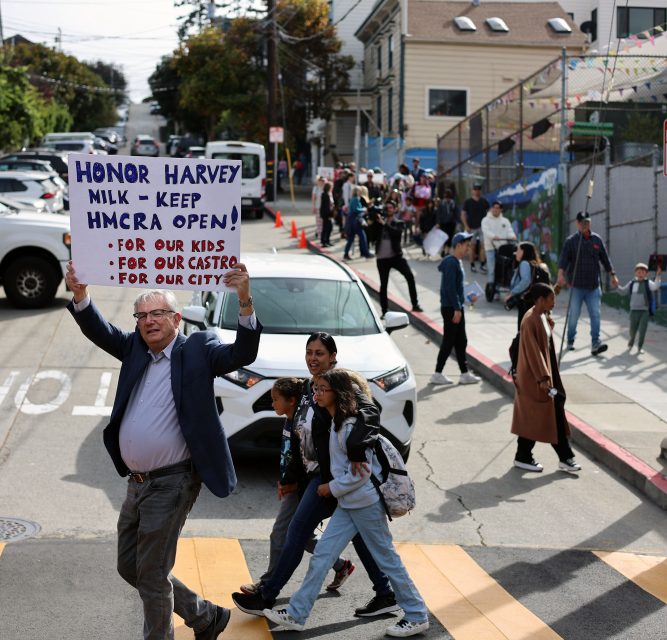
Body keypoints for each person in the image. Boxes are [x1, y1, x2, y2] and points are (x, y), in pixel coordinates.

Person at [64, 261, 262, 640]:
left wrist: (245, 301)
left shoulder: (198, 349)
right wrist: (80, 294)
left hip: (173, 482)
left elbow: (243, 353)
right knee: (130, 566)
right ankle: (204, 617)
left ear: (175, 318)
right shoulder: (136, 349)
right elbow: (100, 330)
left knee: (152, 575)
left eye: (157, 313)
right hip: (137, 483)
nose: (149, 321)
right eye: (141, 315)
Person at [232, 333, 398, 620]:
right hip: (316, 475)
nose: (313, 358)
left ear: (332, 356)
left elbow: (370, 412)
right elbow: (300, 435)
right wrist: (292, 475)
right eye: (309, 352)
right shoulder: (310, 386)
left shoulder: (340, 382)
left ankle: (266, 595)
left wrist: (357, 450)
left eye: (319, 353)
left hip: (334, 476)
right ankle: (385, 594)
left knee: (296, 532)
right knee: (358, 536)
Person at [263, 369, 430, 638]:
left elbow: (361, 472)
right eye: (315, 389)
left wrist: (331, 487)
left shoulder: (350, 426)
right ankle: (296, 613)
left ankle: (416, 614)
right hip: (349, 503)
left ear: (337, 394)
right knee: (322, 557)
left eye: (322, 390)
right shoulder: (335, 422)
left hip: (364, 503)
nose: (315, 394)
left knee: (387, 559)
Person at [239, 377, 354, 596]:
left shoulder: (302, 423)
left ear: (291, 401)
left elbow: (302, 461)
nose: (272, 403)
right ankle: (341, 565)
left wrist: (290, 482)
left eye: (275, 399)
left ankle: (267, 584)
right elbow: (287, 456)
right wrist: (283, 479)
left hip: (303, 485)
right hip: (295, 484)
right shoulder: (289, 420)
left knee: (281, 533)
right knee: (302, 534)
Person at [511, 283, 581, 474]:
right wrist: (543, 378)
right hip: (535, 380)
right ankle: (562, 457)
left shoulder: (540, 316)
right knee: (543, 417)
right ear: (541, 299)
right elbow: (534, 352)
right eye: (551, 299)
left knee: (539, 417)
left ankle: (526, 456)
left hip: (540, 378)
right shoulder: (531, 319)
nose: (554, 302)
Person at [557, 211, 619, 355]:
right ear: (577, 224)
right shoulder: (571, 241)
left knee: (595, 315)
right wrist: (561, 275)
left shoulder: (597, 240)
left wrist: (613, 275)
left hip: (593, 287)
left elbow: (605, 260)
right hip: (576, 286)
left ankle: (595, 344)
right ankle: (570, 340)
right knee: (573, 315)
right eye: (582, 222)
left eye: (587, 222)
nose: (585, 225)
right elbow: (563, 261)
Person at [430, 232, 481, 386]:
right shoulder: (452, 263)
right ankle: (437, 373)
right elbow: (450, 288)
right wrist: (457, 309)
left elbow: (456, 288)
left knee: (461, 341)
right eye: (466, 245)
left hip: (455, 306)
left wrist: (469, 297)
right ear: (458, 245)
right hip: (452, 308)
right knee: (449, 341)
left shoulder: (455, 261)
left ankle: (464, 374)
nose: (468, 248)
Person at [368, 200, 423, 318]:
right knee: (384, 285)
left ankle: (415, 304)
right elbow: (371, 237)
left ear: (395, 209)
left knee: (410, 277)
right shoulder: (378, 223)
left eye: (390, 208)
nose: (388, 210)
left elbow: (396, 234)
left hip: (396, 257)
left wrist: (384, 224)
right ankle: (384, 311)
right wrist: (371, 223)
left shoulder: (399, 222)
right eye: (386, 208)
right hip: (382, 259)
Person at [617, 262, 662, 354]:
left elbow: (655, 287)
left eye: (642, 272)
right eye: (638, 272)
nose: (640, 274)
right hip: (633, 311)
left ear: (646, 274)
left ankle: (640, 347)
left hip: (644, 311)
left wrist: (658, 276)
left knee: (642, 330)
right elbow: (622, 292)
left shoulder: (648, 283)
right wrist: (616, 285)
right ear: (635, 273)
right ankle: (631, 340)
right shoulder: (632, 283)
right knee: (632, 330)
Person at [504, 241, 549, 329]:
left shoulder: (524, 263)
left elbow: (525, 281)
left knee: (523, 329)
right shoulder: (532, 263)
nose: (516, 253)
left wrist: (512, 293)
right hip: (531, 301)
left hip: (525, 301)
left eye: (518, 250)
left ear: (524, 252)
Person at [481, 201, 517, 287]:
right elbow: (486, 231)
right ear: (491, 208)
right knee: (492, 269)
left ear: (501, 209)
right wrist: (493, 236)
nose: (495, 210)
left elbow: (509, 231)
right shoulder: (485, 220)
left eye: (498, 208)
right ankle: (491, 287)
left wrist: (512, 236)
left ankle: (504, 284)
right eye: (494, 207)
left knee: (503, 268)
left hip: (502, 249)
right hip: (490, 248)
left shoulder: (505, 221)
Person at [461, 184, 489, 272]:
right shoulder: (468, 202)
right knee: (472, 246)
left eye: (478, 189)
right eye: (475, 189)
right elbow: (463, 214)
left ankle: (482, 264)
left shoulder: (484, 201)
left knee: (483, 245)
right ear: (472, 191)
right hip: (471, 227)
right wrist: (466, 225)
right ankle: (472, 265)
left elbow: (489, 214)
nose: (477, 191)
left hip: (482, 227)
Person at [343, 187, 373, 260]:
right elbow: (356, 209)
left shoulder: (354, 199)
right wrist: (363, 209)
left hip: (352, 221)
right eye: (359, 191)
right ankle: (366, 253)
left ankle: (346, 253)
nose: (360, 192)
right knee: (363, 237)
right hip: (356, 221)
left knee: (351, 239)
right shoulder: (356, 199)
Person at [435, 189, 460, 255]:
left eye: (448, 197)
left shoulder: (453, 204)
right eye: (446, 197)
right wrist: (438, 222)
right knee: (444, 237)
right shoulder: (441, 204)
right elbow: (438, 214)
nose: (447, 199)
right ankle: (443, 249)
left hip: (451, 223)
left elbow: (456, 213)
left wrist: (458, 222)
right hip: (443, 223)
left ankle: (447, 251)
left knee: (450, 237)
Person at [319, 181, 334, 247]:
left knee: (329, 227)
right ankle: (324, 241)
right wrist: (329, 214)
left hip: (329, 213)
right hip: (326, 214)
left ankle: (327, 240)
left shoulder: (329, 194)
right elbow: (326, 206)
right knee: (326, 227)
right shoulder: (325, 195)